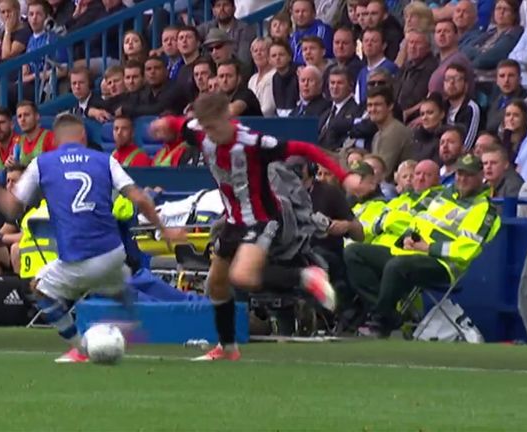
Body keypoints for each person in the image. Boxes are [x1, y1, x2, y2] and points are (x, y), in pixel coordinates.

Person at [149, 93, 363, 361]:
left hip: (262, 216)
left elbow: (306, 149)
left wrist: (345, 176)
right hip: (231, 220)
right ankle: (227, 348)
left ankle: (306, 277)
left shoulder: (255, 142)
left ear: (229, 117)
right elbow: (178, 124)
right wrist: (164, 124)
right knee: (216, 283)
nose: (209, 134)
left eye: (214, 127)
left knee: (243, 277)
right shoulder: (199, 131)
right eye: (205, 128)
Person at [0, 113, 185, 363]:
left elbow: (13, 207)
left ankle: (80, 349)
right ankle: (126, 308)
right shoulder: (105, 160)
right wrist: (165, 230)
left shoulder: (42, 163)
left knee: (40, 290)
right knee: (114, 278)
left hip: (78, 257)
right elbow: (140, 198)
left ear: (54, 139)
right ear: (83, 136)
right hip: (113, 252)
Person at [346, 154, 500, 338]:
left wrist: (428, 248)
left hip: (443, 265)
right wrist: (406, 238)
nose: (462, 178)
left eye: (468, 174)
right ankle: (390, 315)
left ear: (480, 176)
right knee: (354, 253)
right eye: (459, 173)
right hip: (410, 252)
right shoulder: (444, 195)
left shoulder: (484, 210)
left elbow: (467, 249)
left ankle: (380, 321)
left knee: (396, 266)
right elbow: (419, 220)